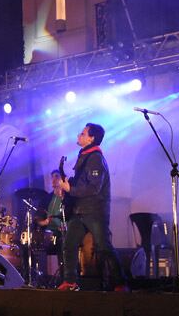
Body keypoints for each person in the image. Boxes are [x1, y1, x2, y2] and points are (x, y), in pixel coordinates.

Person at [57, 123, 128, 291]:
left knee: (103, 247)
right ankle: (70, 281)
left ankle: (120, 283)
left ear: (91, 138)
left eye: (82, 133)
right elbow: (83, 182)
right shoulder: (84, 156)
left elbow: (94, 187)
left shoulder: (95, 158)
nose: (78, 136)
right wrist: (68, 189)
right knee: (69, 244)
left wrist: (70, 189)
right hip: (79, 210)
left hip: (95, 211)